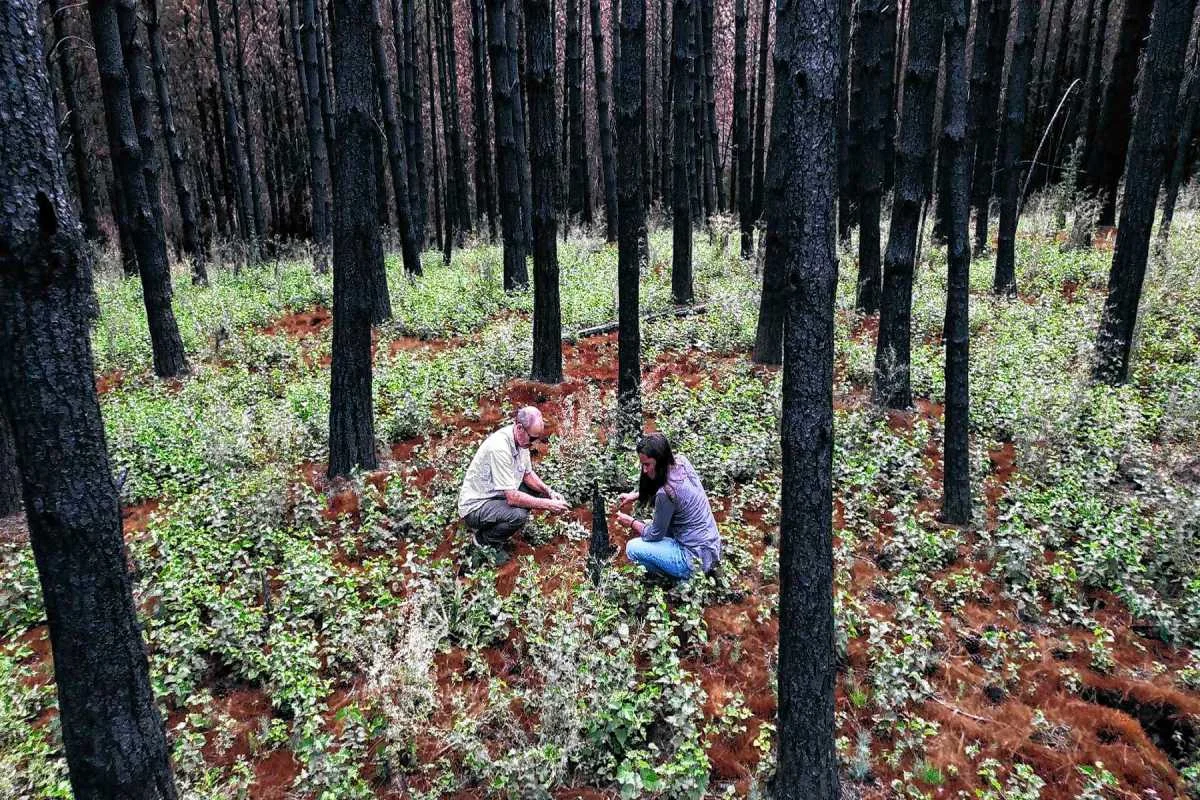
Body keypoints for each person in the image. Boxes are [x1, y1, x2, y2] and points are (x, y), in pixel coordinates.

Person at [458, 406, 570, 547]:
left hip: (498, 495)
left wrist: (549, 492)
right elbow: (512, 497)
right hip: (476, 507)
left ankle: (499, 522)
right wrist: (548, 505)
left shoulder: (522, 442)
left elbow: (527, 474)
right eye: (533, 438)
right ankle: (482, 541)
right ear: (519, 428)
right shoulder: (499, 448)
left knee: (534, 490)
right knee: (518, 515)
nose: (534, 443)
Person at [615, 433, 722, 580]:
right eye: (642, 465)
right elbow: (665, 483)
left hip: (693, 560)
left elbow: (654, 534)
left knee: (633, 548)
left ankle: (679, 578)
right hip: (711, 548)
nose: (644, 470)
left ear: (660, 462)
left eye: (647, 464)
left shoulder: (665, 494)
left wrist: (631, 522)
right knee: (649, 524)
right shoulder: (681, 462)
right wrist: (635, 495)